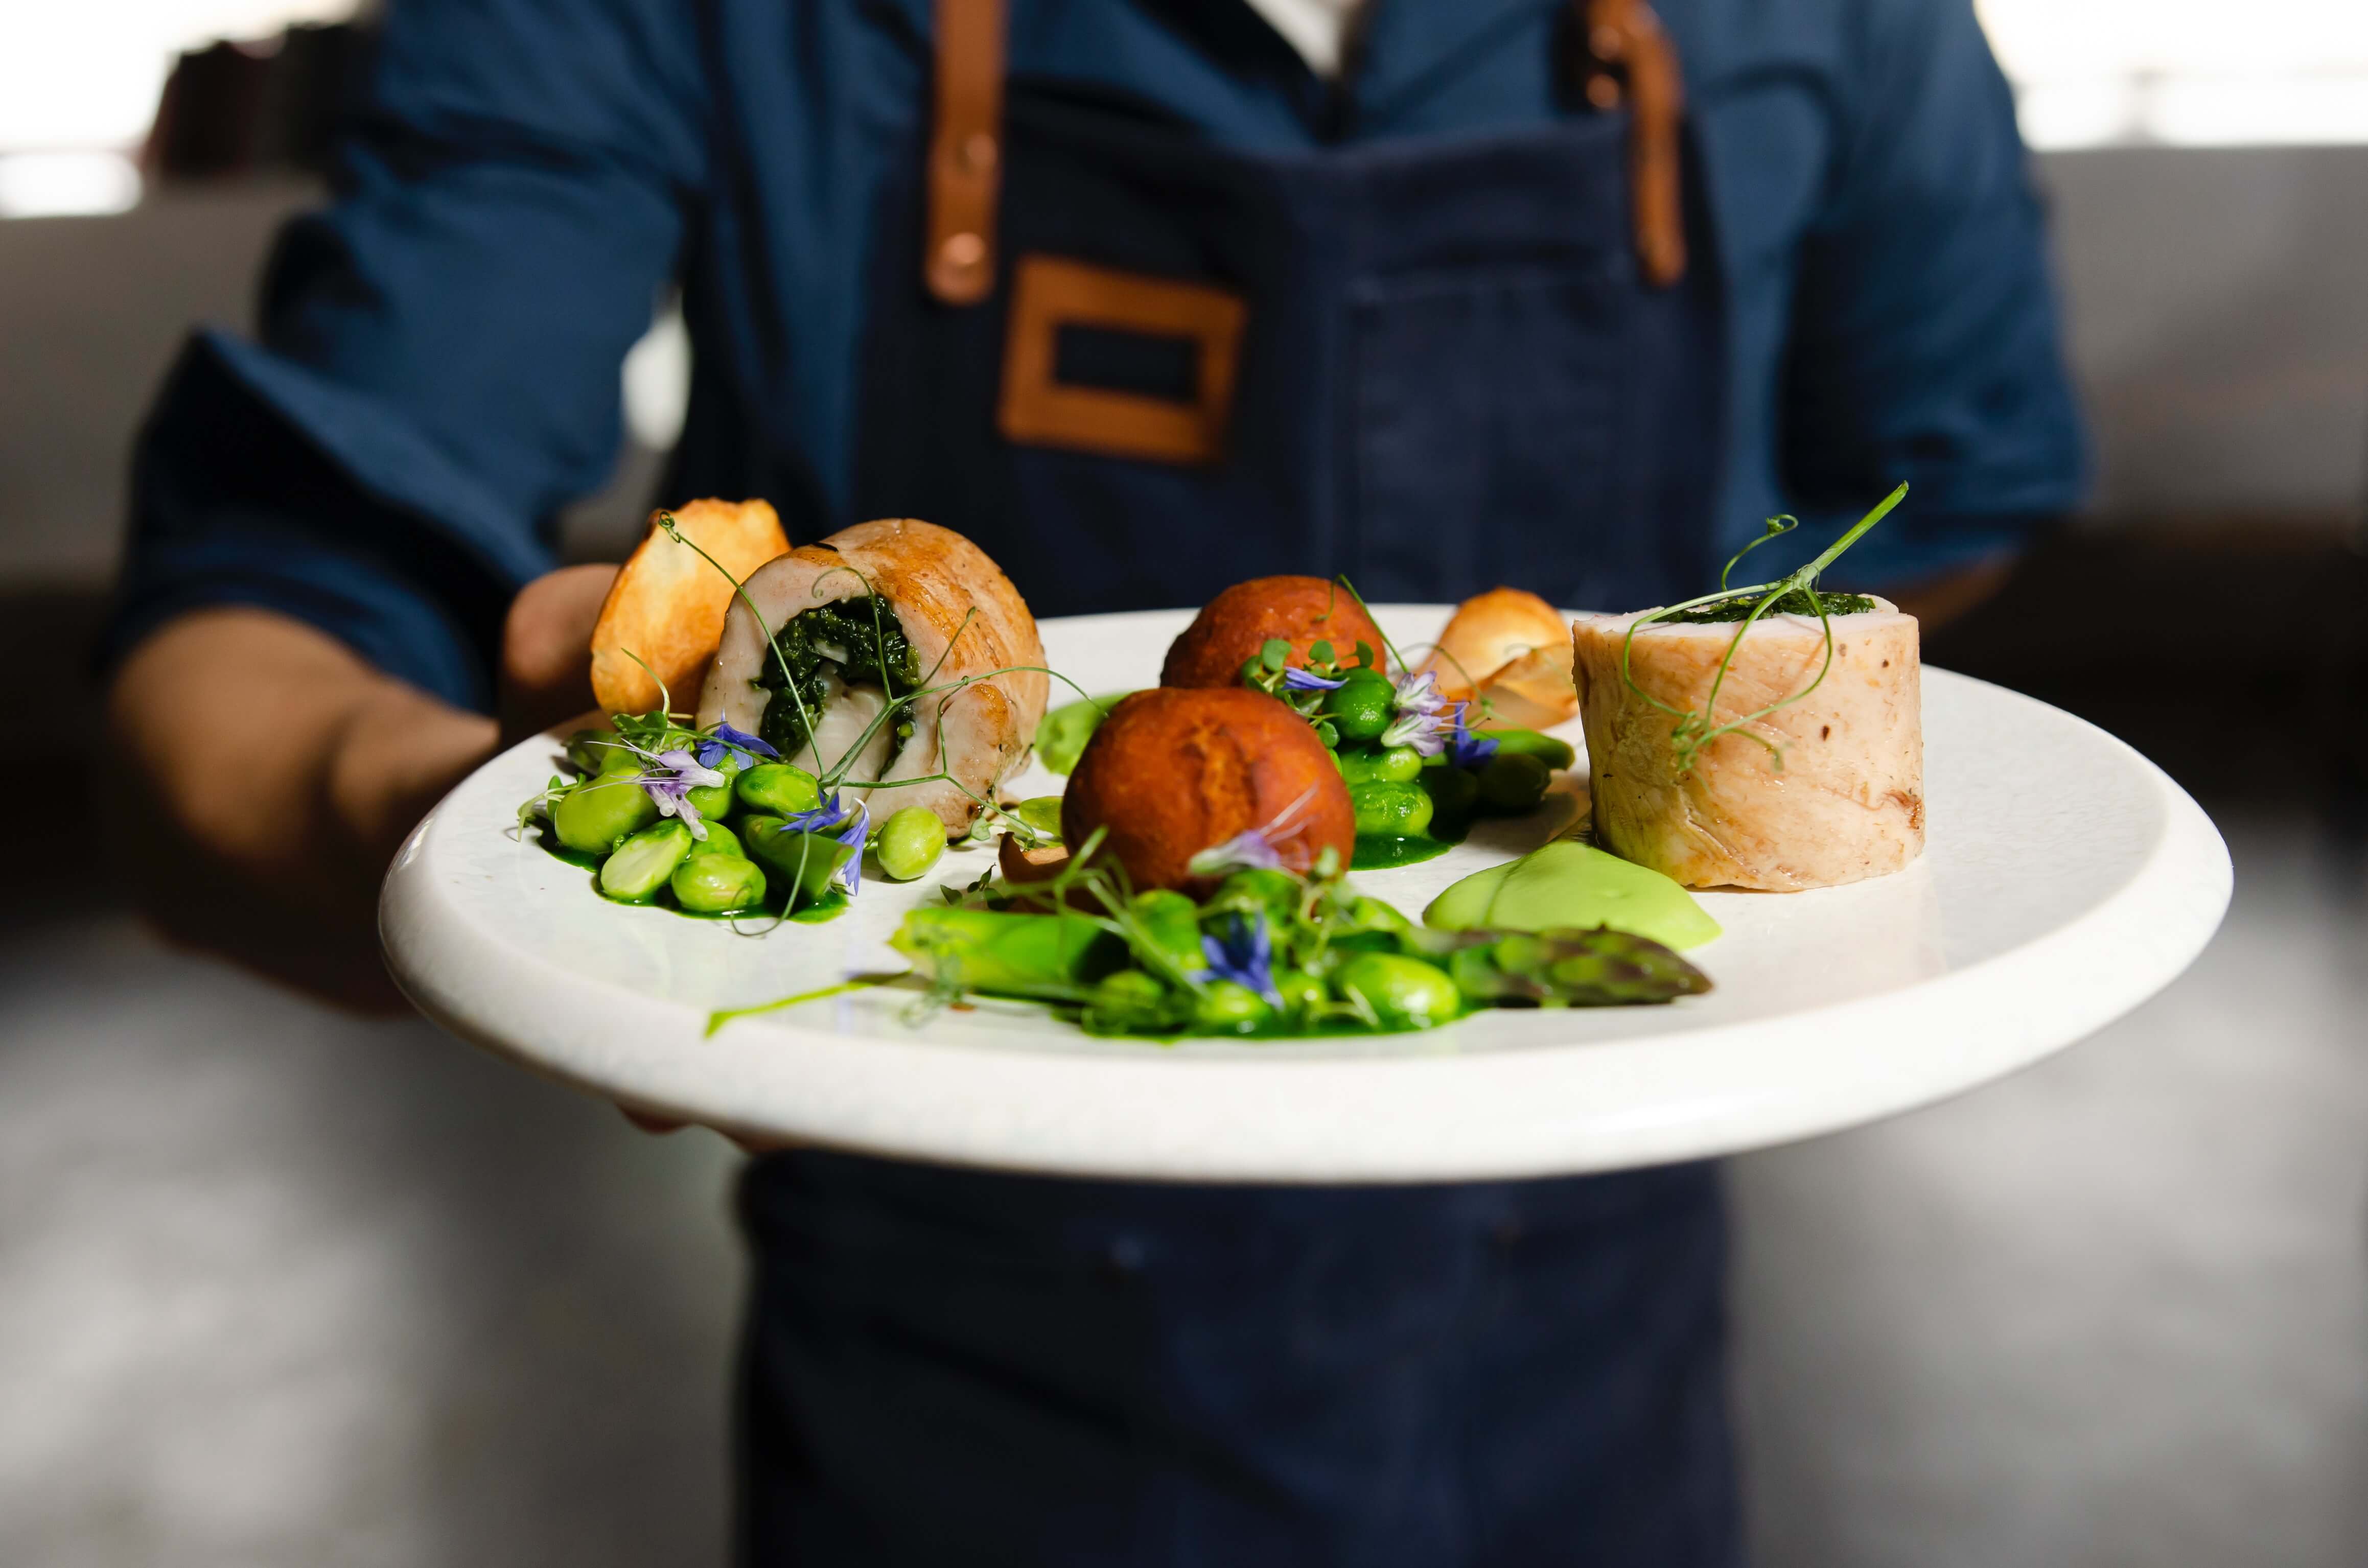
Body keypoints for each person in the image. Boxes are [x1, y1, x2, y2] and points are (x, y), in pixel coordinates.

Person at [103, 0, 2083, 1561]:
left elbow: (1956, 466)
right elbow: (244, 642)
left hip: (1594, 1332)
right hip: (953, 1390)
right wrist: (468, 835)